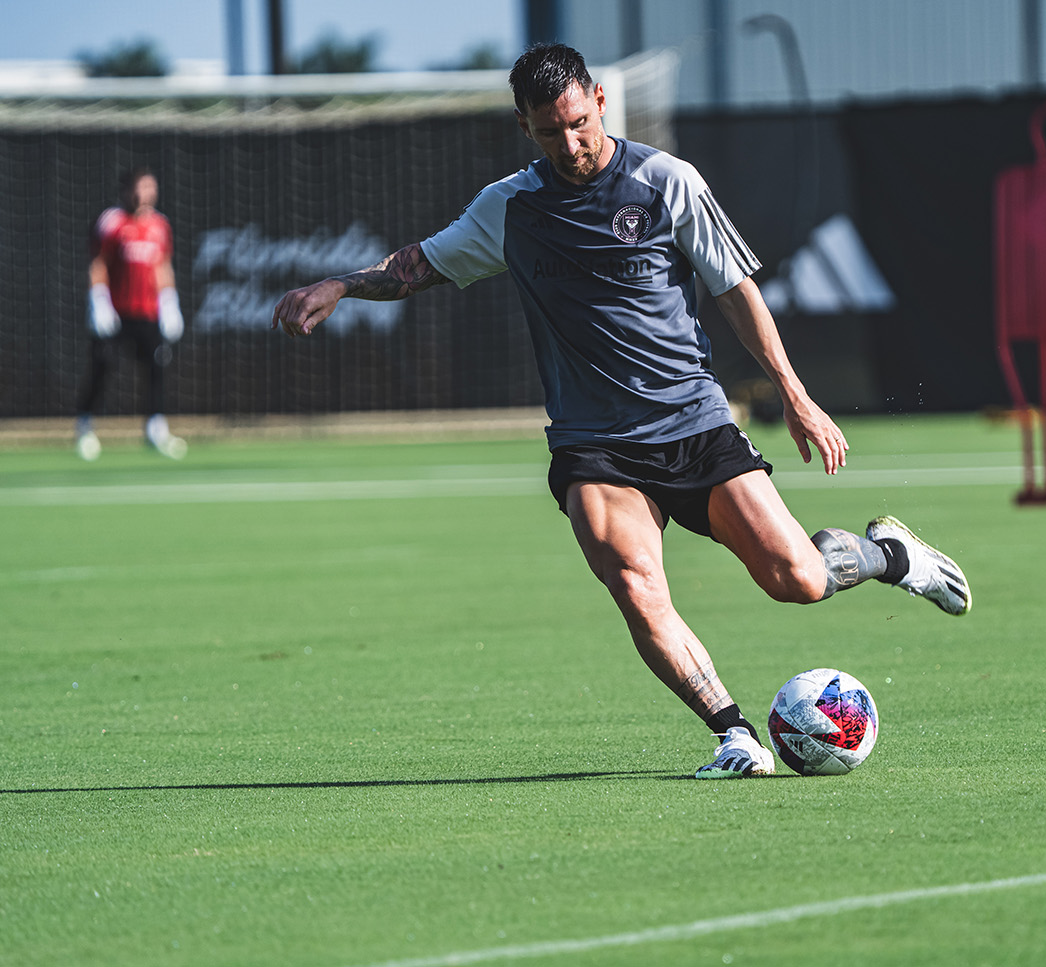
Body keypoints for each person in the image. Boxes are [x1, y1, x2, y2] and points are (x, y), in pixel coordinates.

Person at [272, 43, 970, 779]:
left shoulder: (666, 181)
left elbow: (735, 289)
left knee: (794, 577)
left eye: (577, 122)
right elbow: (417, 266)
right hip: (594, 446)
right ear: (524, 126)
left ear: (599, 100)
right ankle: (732, 734)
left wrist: (796, 396)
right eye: (549, 131)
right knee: (635, 583)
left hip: (695, 425)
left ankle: (889, 554)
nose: (568, 143)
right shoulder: (508, 207)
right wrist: (341, 286)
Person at [75, 166, 187, 461]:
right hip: (115, 311)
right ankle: (85, 426)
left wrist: (170, 301)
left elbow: (163, 265)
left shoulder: (161, 225)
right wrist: (98, 300)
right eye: (140, 187)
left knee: (156, 367)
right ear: (127, 190)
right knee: (103, 365)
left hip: (148, 312)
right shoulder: (112, 221)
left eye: (150, 188)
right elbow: (97, 263)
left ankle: (155, 428)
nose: (145, 194)